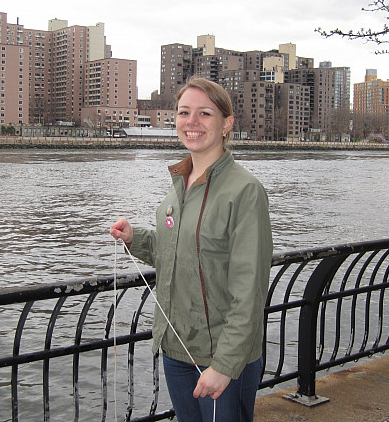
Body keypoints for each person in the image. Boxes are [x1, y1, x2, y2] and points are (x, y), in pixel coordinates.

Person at [110, 77, 273, 422]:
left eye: (204, 113)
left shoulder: (245, 191)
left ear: (226, 124)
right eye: (184, 113)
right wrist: (134, 238)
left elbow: (250, 289)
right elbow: (174, 253)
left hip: (221, 359)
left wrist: (224, 366)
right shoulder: (177, 187)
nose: (191, 122)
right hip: (176, 348)